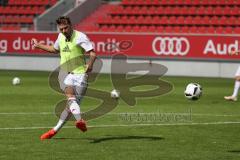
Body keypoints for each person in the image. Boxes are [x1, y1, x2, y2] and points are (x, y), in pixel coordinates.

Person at [32, 16, 96, 140]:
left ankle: (55, 130)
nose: (63, 31)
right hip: (69, 75)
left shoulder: (80, 37)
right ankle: (79, 121)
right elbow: (54, 49)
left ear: (71, 25)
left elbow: (92, 53)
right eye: (61, 29)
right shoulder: (60, 36)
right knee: (71, 99)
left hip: (81, 75)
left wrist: (90, 65)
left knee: (70, 106)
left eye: (65, 28)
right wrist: (39, 45)